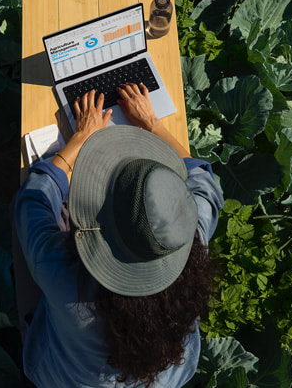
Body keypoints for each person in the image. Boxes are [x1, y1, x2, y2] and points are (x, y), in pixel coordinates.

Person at [13, 82, 225, 387]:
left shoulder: (62, 274)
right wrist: (151, 122)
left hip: (58, 377)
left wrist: (81, 138)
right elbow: (204, 180)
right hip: (165, 380)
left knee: (33, 211)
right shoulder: (185, 241)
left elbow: (32, 198)